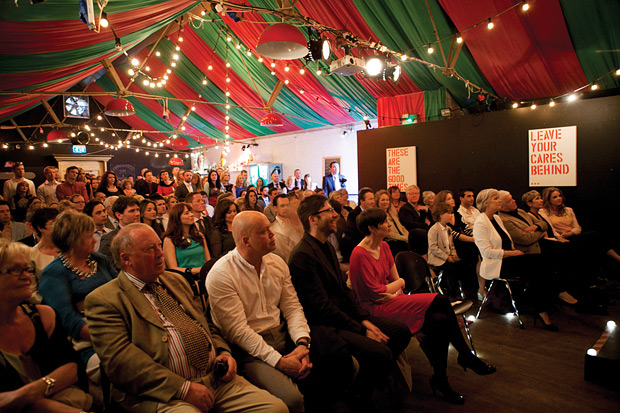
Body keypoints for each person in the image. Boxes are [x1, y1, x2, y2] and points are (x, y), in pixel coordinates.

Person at [84, 224, 287, 412]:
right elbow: (121, 362)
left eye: (158, 246)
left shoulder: (175, 280)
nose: (160, 253)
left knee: (276, 408)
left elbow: (206, 324)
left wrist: (224, 352)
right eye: (149, 249)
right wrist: (182, 388)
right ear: (126, 259)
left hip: (213, 377)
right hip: (161, 393)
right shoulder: (105, 300)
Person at [207, 211, 353, 412]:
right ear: (246, 240)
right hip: (249, 350)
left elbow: (292, 308)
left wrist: (302, 343)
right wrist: (279, 362)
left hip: (284, 336)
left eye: (270, 227)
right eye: (264, 231)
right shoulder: (221, 274)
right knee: (291, 400)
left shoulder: (276, 263)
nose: (272, 233)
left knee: (346, 365)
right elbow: (238, 332)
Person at [351, 208, 495, 404]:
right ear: (372, 228)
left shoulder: (384, 247)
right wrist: (397, 286)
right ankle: (465, 356)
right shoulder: (359, 254)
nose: (390, 224)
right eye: (385, 222)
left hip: (391, 301)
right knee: (441, 300)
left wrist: (393, 287)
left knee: (440, 321)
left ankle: (441, 379)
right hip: (374, 309)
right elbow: (375, 294)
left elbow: (394, 281)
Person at [289, 194, 411, 407]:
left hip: (343, 315)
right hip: (325, 326)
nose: (335, 214)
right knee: (380, 353)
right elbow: (322, 307)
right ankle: (360, 398)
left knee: (400, 332)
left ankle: (365, 386)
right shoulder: (303, 255)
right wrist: (362, 329)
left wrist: (364, 321)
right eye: (329, 211)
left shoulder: (325, 246)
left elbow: (344, 292)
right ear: (313, 219)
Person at [0, 239, 93, 412]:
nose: (27, 276)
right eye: (15, 270)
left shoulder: (43, 316)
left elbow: (73, 369)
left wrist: (26, 393)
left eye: (27, 269)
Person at [38, 211, 118, 400]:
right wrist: (111, 335)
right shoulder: (55, 272)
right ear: (73, 240)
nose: (94, 240)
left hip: (117, 323)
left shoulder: (99, 260)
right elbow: (68, 319)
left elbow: (121, 289)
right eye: (89, 236)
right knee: (124, 363)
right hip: (87, 342)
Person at [473, 189, 558, 331]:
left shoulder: (497, 218)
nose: (499, 200)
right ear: (485, 203)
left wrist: (514, 253)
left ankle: (541, 308)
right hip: (497, 265)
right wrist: (511, 253)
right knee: (538, 268)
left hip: (508, 260)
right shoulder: (481, 222)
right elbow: (486, 252)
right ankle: (541, 310)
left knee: (543, 265)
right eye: (495, 199)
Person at [427, 203, 469, 298]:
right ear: (441, 215)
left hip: (448, 256)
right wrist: (446, 257)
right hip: (437, 258)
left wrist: (454, 255)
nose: (451, 215)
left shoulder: (448, 229)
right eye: (448, 213)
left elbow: (452, 245)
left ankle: (459, 290)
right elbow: (433, 247)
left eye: (451, 213)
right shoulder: (434, 229)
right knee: (450, 269)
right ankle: (451, 293)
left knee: (462, 265)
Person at [163, 203, 209, 276]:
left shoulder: (199, 236)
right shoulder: (169, 240)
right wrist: (195, 270)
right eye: (186, 213)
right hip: (185, 279)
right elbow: (173, 268)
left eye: (191, 212)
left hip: (204, 277)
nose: (191, 215)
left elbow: (208, 261)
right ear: (177, 217)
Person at [29, 207, 60, 297]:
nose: (58, 226)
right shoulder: (31, 255)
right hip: (46, 304)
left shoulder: (69, 249)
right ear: (40, 228)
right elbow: (32, 292)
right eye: (53, 223)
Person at [343, 187, 375, 262]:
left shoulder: (373, 213)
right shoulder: (354, 214)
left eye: (373, 199)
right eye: (370, 199)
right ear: (362, 201)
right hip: (357, 248)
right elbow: (354, 236)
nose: (373, 202)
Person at [270, 194, 304, 263]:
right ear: (275, 208)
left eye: (287, 205)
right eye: (282, 206)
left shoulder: (295, 223)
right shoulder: (273, 229)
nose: (286, 208)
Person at [375, 189, 409, 257]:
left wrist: (408, 235)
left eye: (387, 200)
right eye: (383, 200)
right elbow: (388, 234)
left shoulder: (391, 213)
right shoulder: (378, 215)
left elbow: (401, 227)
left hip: (402, 239)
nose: (385, 202)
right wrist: (404, 238)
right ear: (377, 202)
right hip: (390, 241)